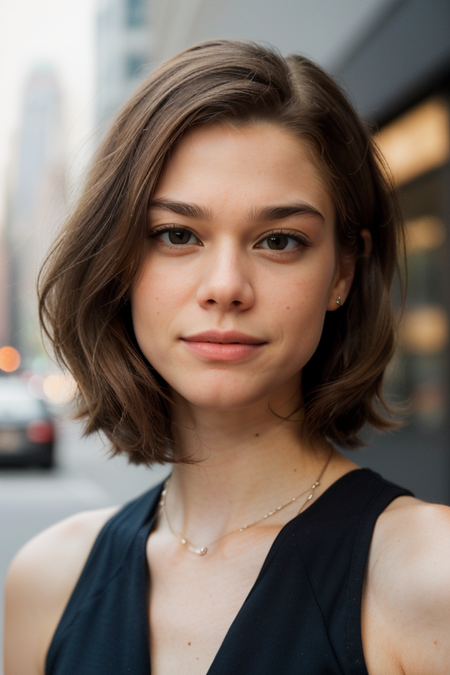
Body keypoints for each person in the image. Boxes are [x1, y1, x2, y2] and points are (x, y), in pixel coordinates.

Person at [4, 40, 450, 675]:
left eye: (278, 240)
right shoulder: (48, 583)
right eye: (177, 234)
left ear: (342, 272)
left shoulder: (431, 576)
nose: (226, 285)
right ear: (120, 264)